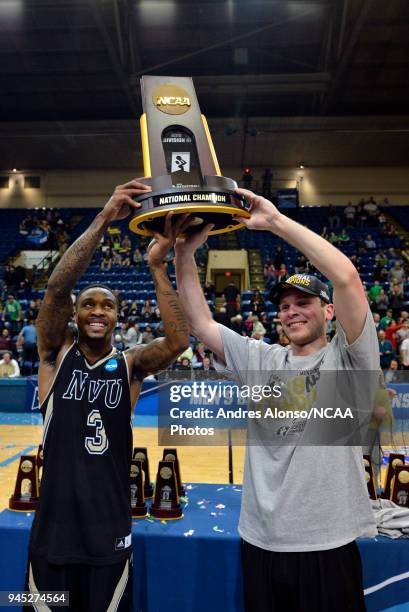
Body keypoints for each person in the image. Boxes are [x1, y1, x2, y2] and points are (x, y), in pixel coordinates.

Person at [174, 186, 380, 612]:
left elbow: (347, 279)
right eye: (284, 306)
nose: (291, 312)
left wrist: (275, 223)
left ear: (328, 311)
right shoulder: (259, 358)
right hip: (261, 540)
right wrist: (183, 253)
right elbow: (198, 321)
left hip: (327, 543)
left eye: (303, 302)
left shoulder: (350, 357)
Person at [26, 180, 190, 611]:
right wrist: (103, 219)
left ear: (118, 316)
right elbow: (57, 290)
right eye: (89, 304)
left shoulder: (131, 363)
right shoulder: (53, 355)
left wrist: (157, 266)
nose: (98, 310)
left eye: (107, 305)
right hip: (53, 529)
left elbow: (178, 341)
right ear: (75, 315)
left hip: (109, 527)